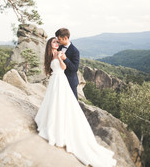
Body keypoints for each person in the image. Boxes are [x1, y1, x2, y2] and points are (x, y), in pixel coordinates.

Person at [34, 37, 117, 167]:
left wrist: (62, 58)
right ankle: (50, 121)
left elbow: (64, 67)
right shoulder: (50, 55)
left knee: (61, 103)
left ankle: (59, 126)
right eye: (54, 42)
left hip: (61, 80)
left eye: (57, 42)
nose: (57, 44)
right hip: (55, 80)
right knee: (53, 102)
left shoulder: (60, 53)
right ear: (50, 45)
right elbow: (51, 69)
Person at [55, 28, 80, 99]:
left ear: (65, 38)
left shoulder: (75, 51)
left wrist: (65, 59)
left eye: (59, 39)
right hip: (59, 79)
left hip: (70, 81)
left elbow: (75, 68)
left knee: (73, 101)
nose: (58, 41)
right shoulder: (59, 47)